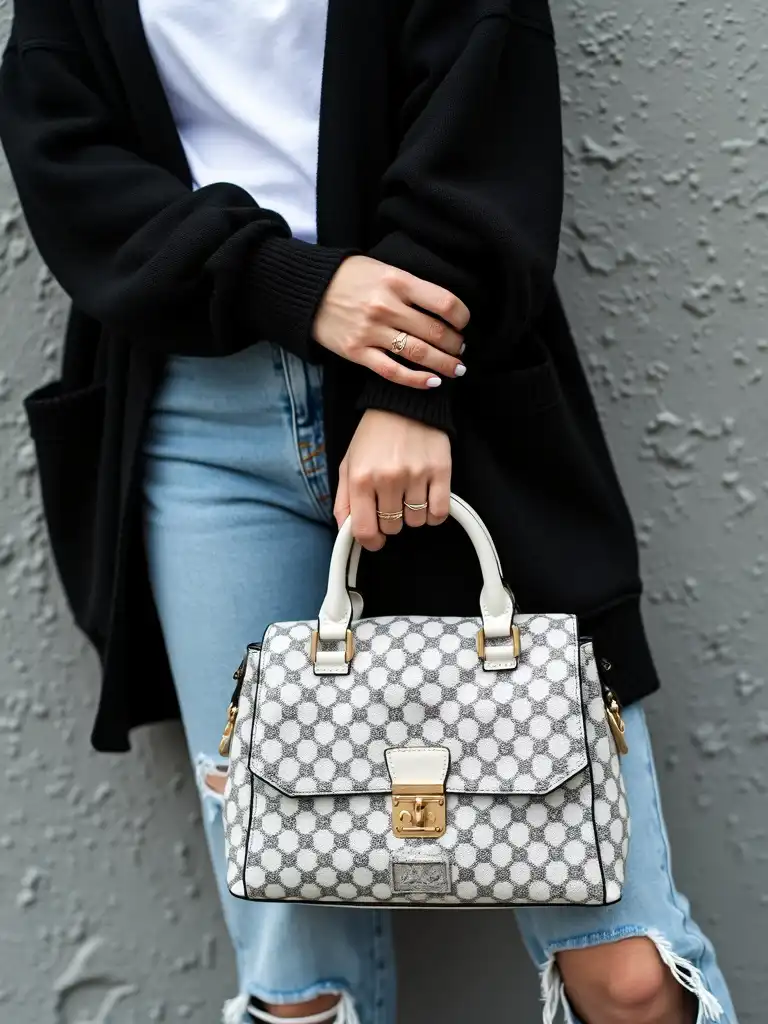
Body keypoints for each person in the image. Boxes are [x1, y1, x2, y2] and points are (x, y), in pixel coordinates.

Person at [0, 1, 738, 1022]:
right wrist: (286, 282)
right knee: (296, 987)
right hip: (207, 437)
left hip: (457, 407)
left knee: (627, 977)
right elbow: (62, 155)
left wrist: (408, 391)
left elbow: (487, 112)